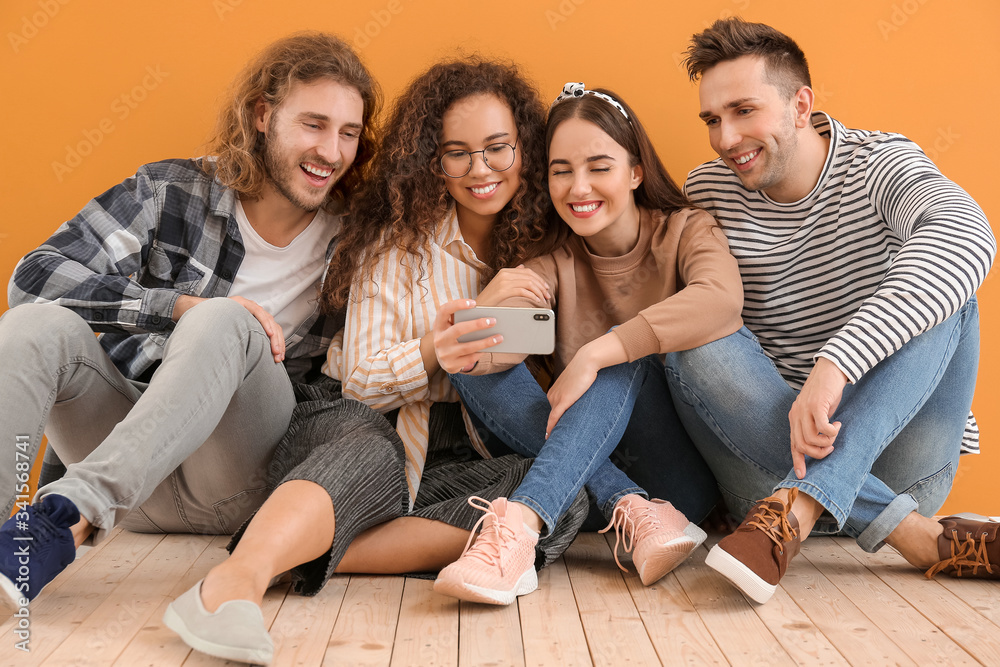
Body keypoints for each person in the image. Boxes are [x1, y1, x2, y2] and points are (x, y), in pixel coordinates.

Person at [162, 59, 590, 664]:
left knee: (559, 497)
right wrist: (441, 346)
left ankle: (304, 545)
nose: (481, 170)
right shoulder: (399, 242)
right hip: (354, 420)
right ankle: (233, 585)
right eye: (457, 153)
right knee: (373, 454)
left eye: (498, 149)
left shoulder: (551, 241)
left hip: (460, 446)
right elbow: (361, 382)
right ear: (432, 161)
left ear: (525, 149)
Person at [0, 32, 380, 610]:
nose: (332, 150)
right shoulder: (172, 191)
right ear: (262, 115)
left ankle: (63, 516)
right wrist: (177, 306)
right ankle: (15, 545)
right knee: (33, 327)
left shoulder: (360, 239)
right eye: (314, 124)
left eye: (348, 133)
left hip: (233, 480)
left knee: (227, 322)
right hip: (130, 468)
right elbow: (33, 279)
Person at [668, 17, 998, 605]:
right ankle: (913, 536)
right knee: (688, 331)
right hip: (768, 467)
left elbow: (967, 233)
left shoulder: (879, 165)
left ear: (801, 105)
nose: (724, 138)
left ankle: (807, 505)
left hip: (898, 459)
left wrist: (837, 364)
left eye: (744, 111)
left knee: (951, 296)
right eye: (712, 120)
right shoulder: (708, 193)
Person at [436, 82, 744, 604]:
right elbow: (514, 333)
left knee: (622, 355)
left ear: (635, 171)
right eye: (561, 171)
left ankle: (524, 523)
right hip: (586, 491)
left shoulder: (685, 231)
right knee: (471, 366)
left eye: (599, 167)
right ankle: (627, 504)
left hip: (680, 482)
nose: (579, 188)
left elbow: (720, 300)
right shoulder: (552, 260)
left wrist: (598, 352)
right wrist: (474, 335)